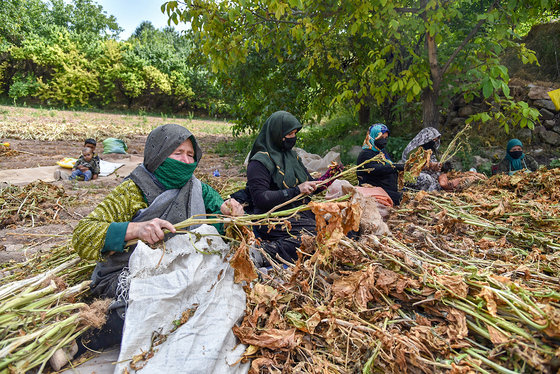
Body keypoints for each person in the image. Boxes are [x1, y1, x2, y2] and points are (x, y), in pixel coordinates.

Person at [71, 124, 243, 354]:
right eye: (177, 153)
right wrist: (137, 229)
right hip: (130, 272)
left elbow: (217, 217)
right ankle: (92, 336)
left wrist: (228, 212)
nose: (185, 161)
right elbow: (83, 234)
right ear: (159, 154)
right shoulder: (133, 190)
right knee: (165, 300)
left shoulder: (197, 188)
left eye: (190, 155)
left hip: (179, 269)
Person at [245, 111, 318, 266]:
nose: (293, 138)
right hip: (272, 218)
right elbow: (260, 198)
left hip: (298, 212)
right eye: (289, 134)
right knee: (319, 236)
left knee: (340, 227)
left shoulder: (292, 156)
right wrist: (297, 190)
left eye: (294, 133)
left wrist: (329, 179)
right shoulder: (259, 162)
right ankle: (266, 252)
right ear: (276, 133)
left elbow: (310, 184)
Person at [356, 124, 405, 205]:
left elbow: (389, 166)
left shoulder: (383, 152)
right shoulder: (366, 154)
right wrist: (395, 167)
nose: (384, 141)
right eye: (381, 138)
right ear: (373, 137)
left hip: (387, 189)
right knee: (400, 199)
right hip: (373, 189)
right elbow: (376, 169)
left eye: (386, 138)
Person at [400, 127, 444, 191]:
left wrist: (442, 166)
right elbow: (414, 166)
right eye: (433, 140)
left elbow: (437, 163)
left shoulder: (432, 150)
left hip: (430, 173)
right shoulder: (414, 150)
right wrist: (431, 166)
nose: (434, 142)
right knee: (427, 179)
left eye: (435, 140)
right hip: (412, 175)